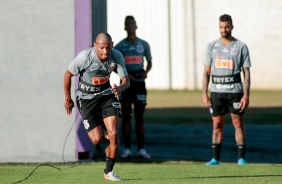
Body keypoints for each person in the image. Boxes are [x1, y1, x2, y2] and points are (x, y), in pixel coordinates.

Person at [64, 32, 130, 181]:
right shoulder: (84, 57)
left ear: (112, 45)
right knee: (97, 140)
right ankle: (103, 130)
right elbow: (67, 75)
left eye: (108, 47)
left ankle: (108, 172)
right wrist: (68, 99)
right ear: (95, 46)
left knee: (114, 134)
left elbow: (126, 81)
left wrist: (120, 88)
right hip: (86, 99)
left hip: (106, 95)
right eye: (101, 48)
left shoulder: (116, 56)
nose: (105, 51)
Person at [202, 14, 251, 165]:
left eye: (226, 27)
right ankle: (215, 159)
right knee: (217, 125)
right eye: (221, 27)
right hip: (216, 92)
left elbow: (247, 73)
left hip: (235, 91)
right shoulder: (211, 46)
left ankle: (241, 158)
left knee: (238, 124)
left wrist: (246, 95)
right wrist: (204, 93)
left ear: (232, 27)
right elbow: (206, 72)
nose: (224, 30)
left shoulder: (241, 46)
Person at [114, 15, 152, 159]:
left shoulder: (144, 44)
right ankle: (127, 149)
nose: (130, 26)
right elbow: (112, 64)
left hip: (139, 84)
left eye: (132, 23)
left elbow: (150, 62)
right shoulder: (120, 46)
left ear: (136, 26)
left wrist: (146, 73)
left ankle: (141, 149)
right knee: (126, 116)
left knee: (140, 116)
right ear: (125, 27)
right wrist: (124, 74)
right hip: (125, 84)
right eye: (127, 24)